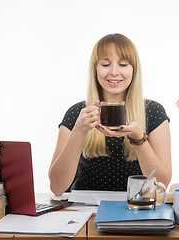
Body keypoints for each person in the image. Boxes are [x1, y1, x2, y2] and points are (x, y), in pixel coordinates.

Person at [49, 33, 171, 196]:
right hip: (86, 212)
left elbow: (161, 185)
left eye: (123, 64)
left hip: (135, 210)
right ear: (95, 69)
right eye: (106, 64)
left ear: (133, 69)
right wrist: (79, 130)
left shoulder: (153, 112)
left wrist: (137, 137)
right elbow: (57, 187)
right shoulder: (77, 114)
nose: (114, 72)